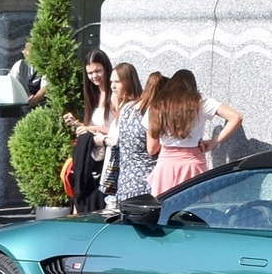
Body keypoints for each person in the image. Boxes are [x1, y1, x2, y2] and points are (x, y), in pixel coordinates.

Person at [145, 69, 244, 195]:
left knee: (164, 207)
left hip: (166, 165)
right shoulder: (201, 102)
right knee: (195, 206)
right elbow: (236, 117)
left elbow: (151, 147)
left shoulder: (156, 106)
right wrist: (214, 142)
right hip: (193, 162)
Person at [63, 49, 113, 211]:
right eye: (90, 73)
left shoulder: (115, 96)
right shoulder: (93, 94)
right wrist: (77, 124)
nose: (94, 76)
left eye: (98, 70)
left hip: (109, 160)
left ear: (106, 68)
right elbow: (91, 129)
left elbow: (116, 130)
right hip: (91, 159)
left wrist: (88, 127)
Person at [110, 66, 155, 202]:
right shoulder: (127, 108)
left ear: (128, 81)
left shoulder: (142, 109)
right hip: (127, 180)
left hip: (141, 181)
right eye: (111, 82)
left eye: (117, 82)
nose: (113, 86)